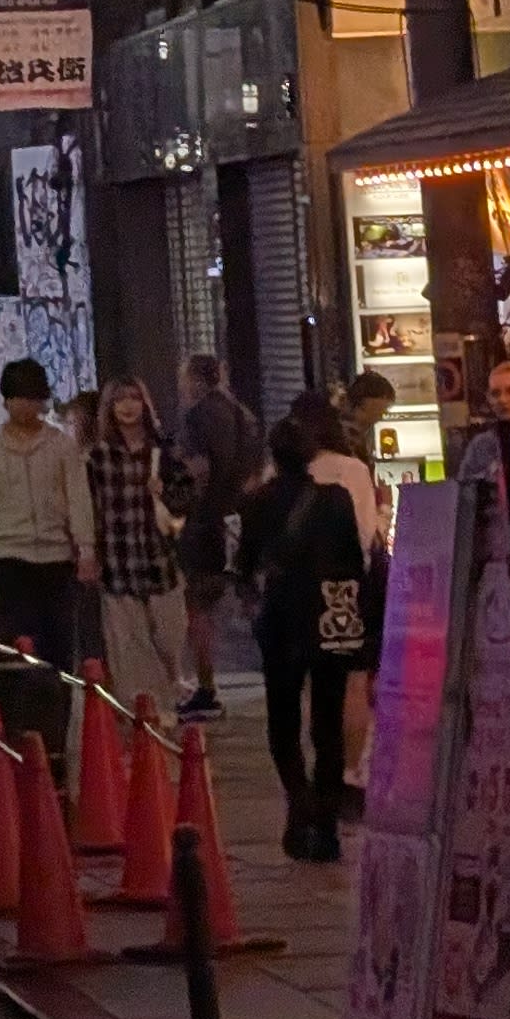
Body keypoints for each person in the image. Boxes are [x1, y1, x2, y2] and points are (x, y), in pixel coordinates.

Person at [237, 402, 374, 860]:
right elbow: (356, 559)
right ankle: (328, 820)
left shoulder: (256, 503)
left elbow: (245, 566)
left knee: (283, 718)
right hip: (330, 619)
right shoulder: (335, 498)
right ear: (312, 454)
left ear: (273, 456)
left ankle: (299, 804)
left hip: (281, 619)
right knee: (327, 723)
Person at [0, 357, 96, 741]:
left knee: (58, 647)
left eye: (33, 398)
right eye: (19, 398)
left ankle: (54, 730)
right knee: (20, 646)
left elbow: (78, 499)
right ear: (6, 401)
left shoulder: (61, 446)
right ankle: (25, 726)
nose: (26, 406)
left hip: (57, 559)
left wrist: (85, 548)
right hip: (10, 559)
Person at [84, 378, 191, 717]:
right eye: (119, 400)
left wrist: (166, 493)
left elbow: (188, 499)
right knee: (129, 645)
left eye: (134, 399)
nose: (128, 406)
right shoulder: (98, 457)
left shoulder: (164, 450)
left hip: (161, 558)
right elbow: (90, 508)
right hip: (118, 557)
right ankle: (148, 713)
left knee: (169, 637)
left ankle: (170, 690)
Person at [174, 353, 262, 716]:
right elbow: (257, 470)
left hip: (207, 520)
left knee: (198, 607)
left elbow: (200, 471)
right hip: (242, 515)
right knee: (248, 597)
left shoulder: (196, 417)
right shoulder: (244, 415)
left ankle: (207, 687)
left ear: (193, 378)